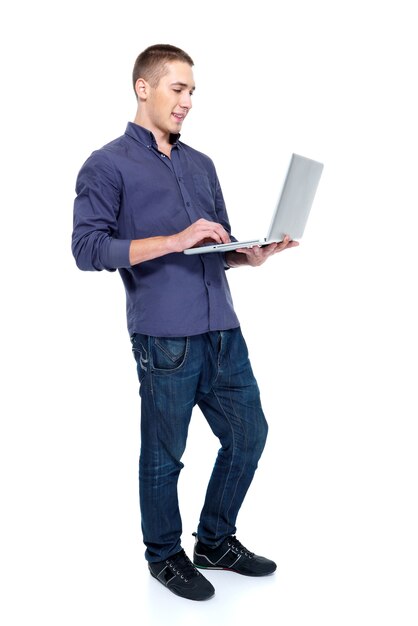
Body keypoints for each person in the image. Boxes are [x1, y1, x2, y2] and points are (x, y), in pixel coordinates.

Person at [72, 43, 298, 601]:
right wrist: (174, 240)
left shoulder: (202, 164)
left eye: (193, 91)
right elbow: (86, 248)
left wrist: (247, 255)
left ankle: (216, 540)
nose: (188, 101)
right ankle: (165, 555)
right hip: (163, 335)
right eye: (178, 88)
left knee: (250, 434)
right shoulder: (106, 164)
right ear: (143, 88)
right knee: (164, 454)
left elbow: (212, 247)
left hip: (222, 327)